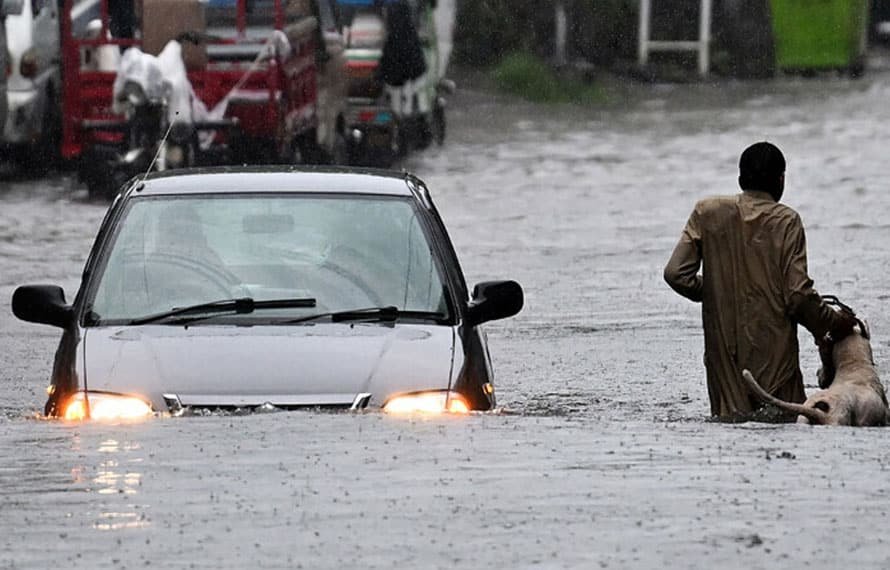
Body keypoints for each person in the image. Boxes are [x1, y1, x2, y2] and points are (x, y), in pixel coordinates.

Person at [663, 141, 857, 420]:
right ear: (780, 181)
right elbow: (799, 297)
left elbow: (675, 273)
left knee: (730, 427)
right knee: (785, 423)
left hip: (724, 363)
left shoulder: (707, 212)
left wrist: (722, 288)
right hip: (775, 363)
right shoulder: (787, 221)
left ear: (741, 178)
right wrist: (835, 322)